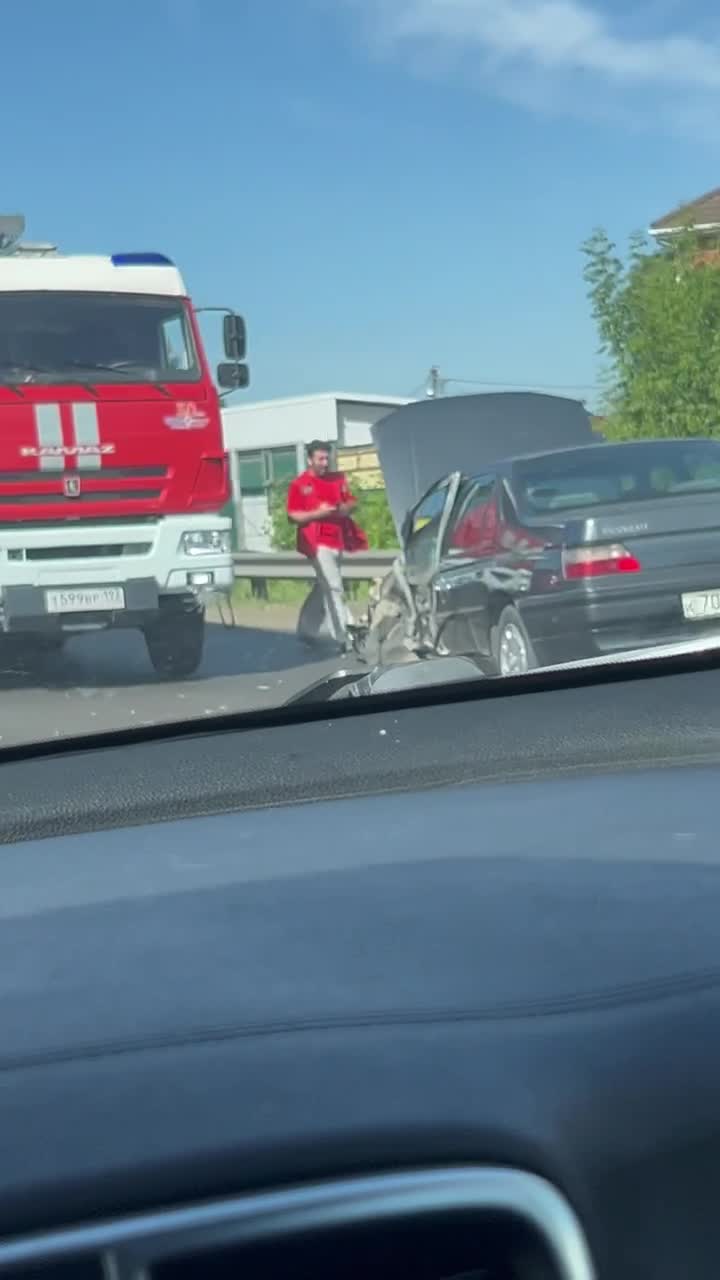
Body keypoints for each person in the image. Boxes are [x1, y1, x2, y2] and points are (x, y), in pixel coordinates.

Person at [287, 440, 368, 653]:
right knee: (333, 585)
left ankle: (306, 630)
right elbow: (293, 515)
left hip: (337, 539)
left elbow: (351, 502)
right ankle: (345, 635)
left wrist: (344, 508)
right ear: (310, 459)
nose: (325, 463)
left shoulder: (337, 479)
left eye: (327, 458)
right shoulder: (300, 484)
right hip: (315, 542)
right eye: (320, 459)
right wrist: (317, 513)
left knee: (324, 585)